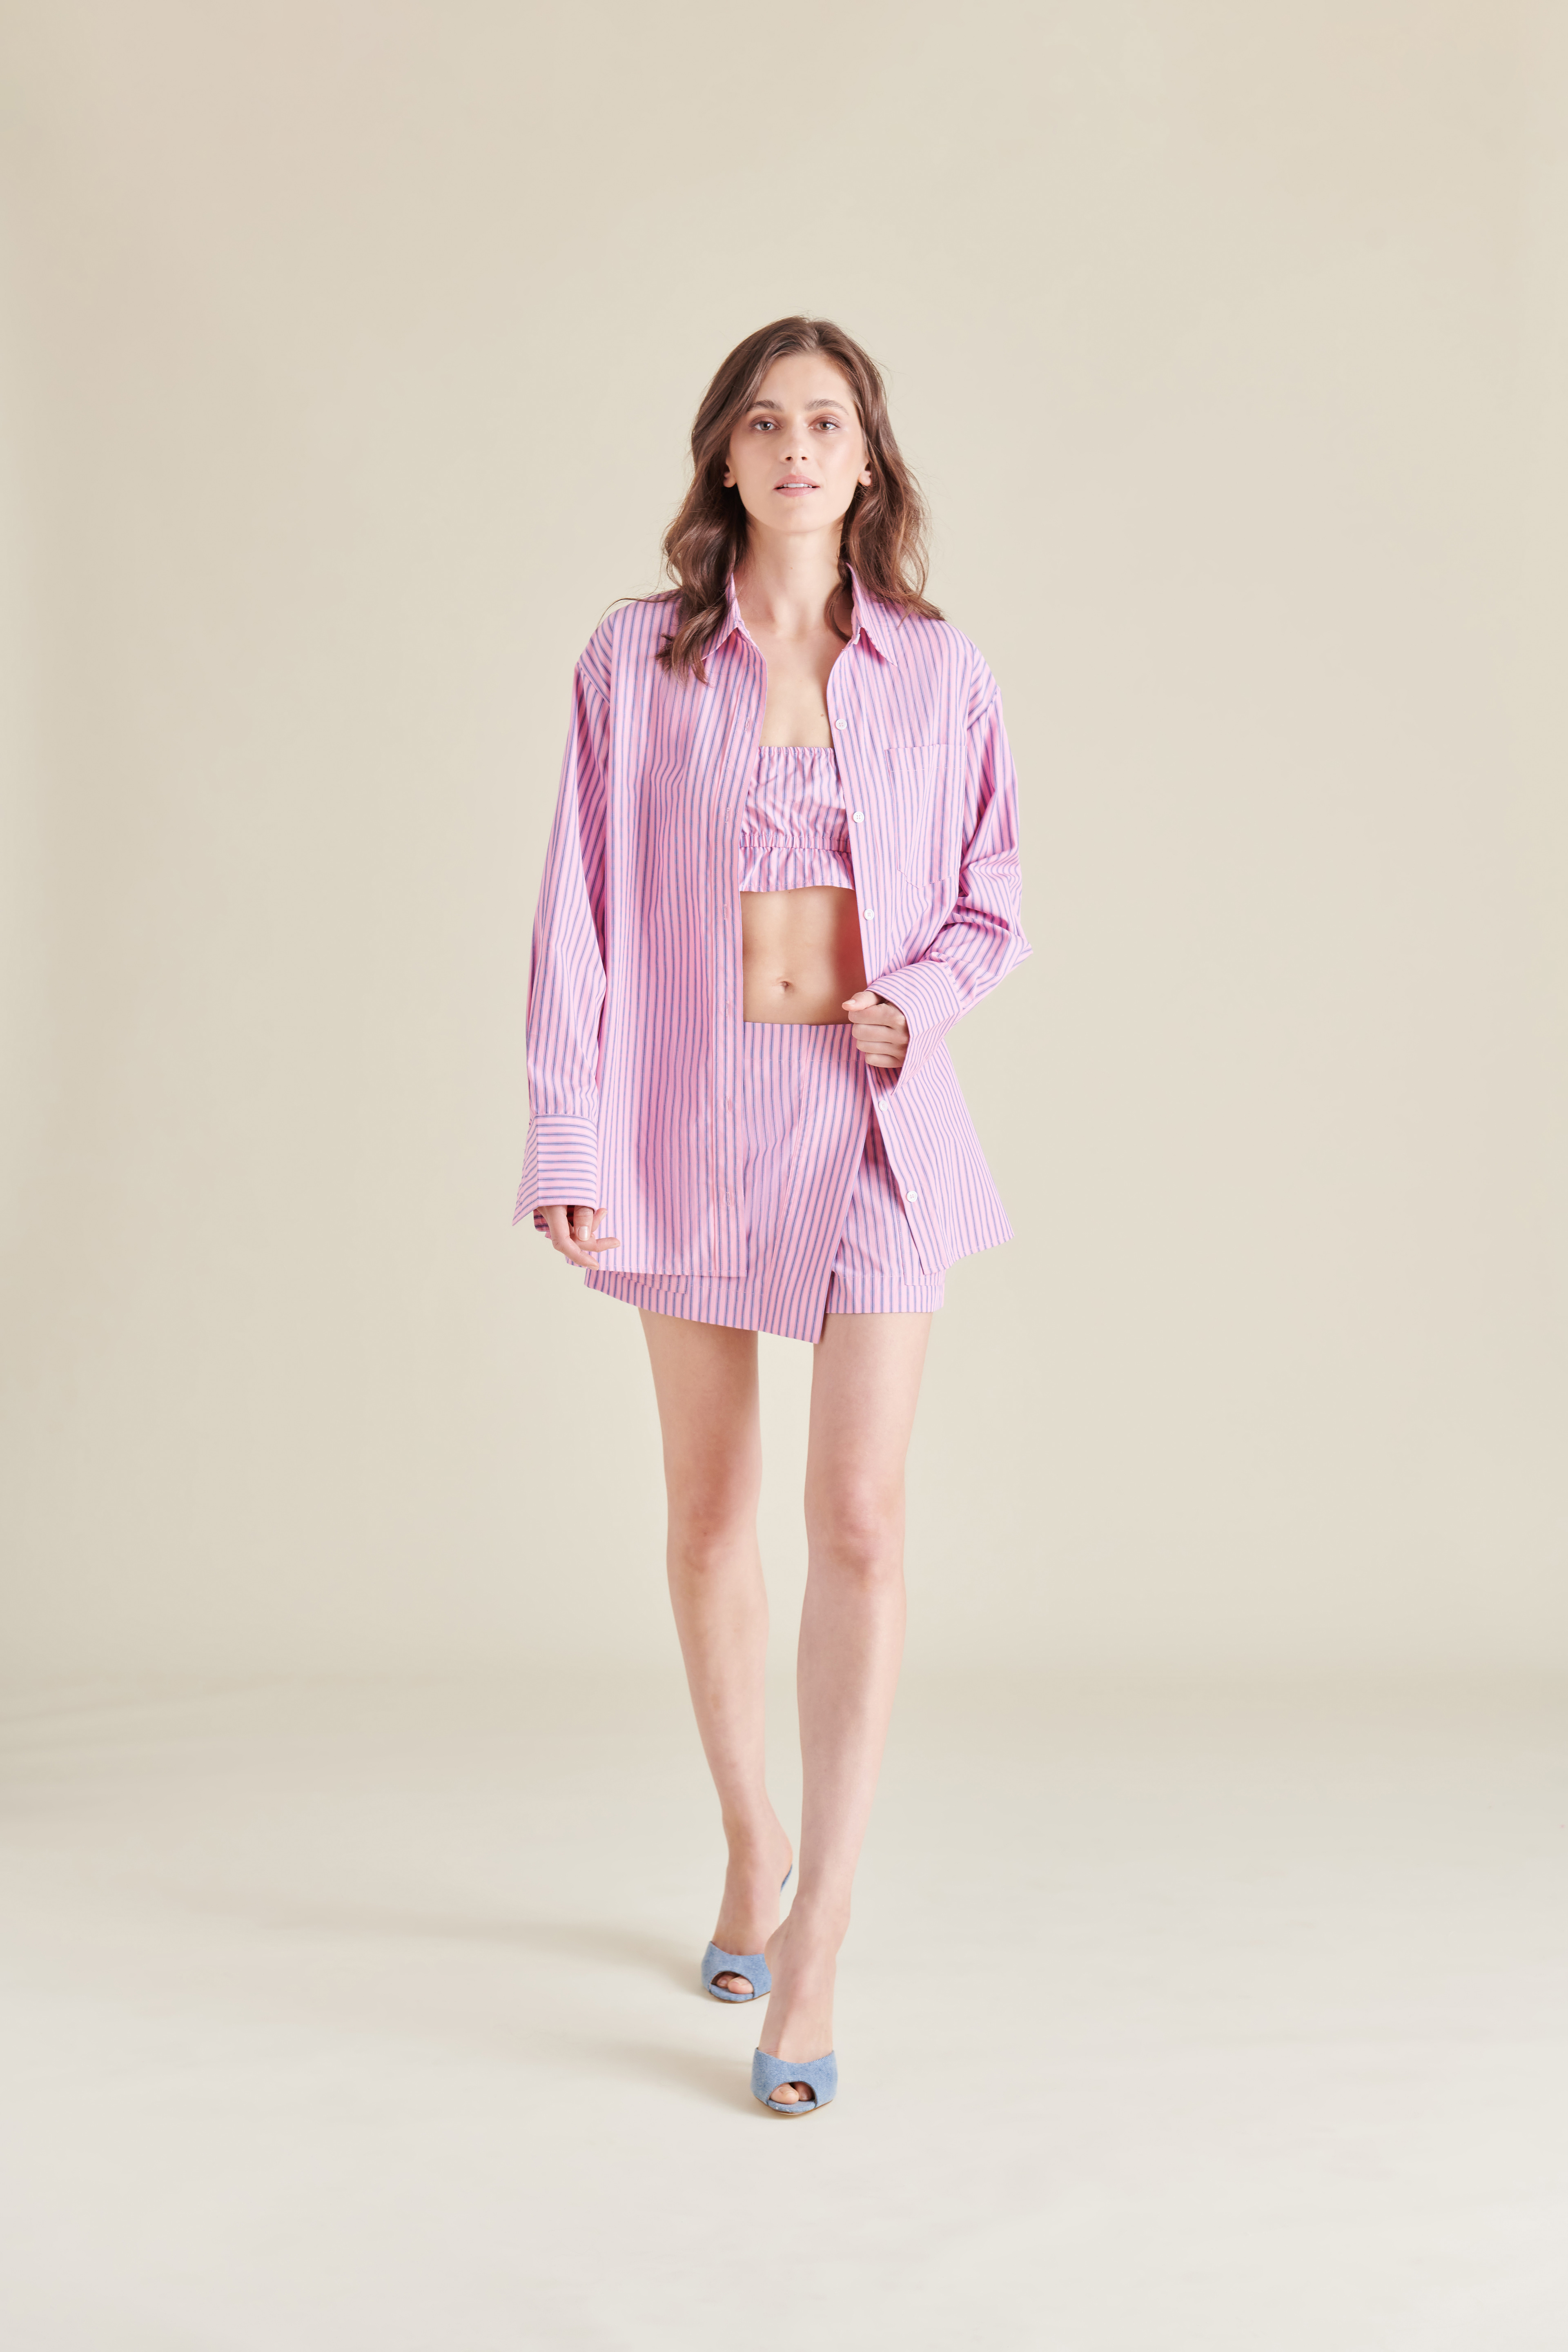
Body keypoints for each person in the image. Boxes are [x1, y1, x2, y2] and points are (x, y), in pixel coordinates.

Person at [514, 316, 1031, 2116]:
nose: (797, 446)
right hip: (688, 1111)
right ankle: (753, 1841)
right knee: (709, 1513)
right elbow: (577, 903)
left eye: (826, 420)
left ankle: (822, 1933)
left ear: (868, 458)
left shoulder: (943, 671)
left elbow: (996, 894)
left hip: (873, 1116)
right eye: (763, 421)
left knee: (862, 1521)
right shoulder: (634, 659)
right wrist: (568, 1131)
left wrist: (924, 999)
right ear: (724, 458)